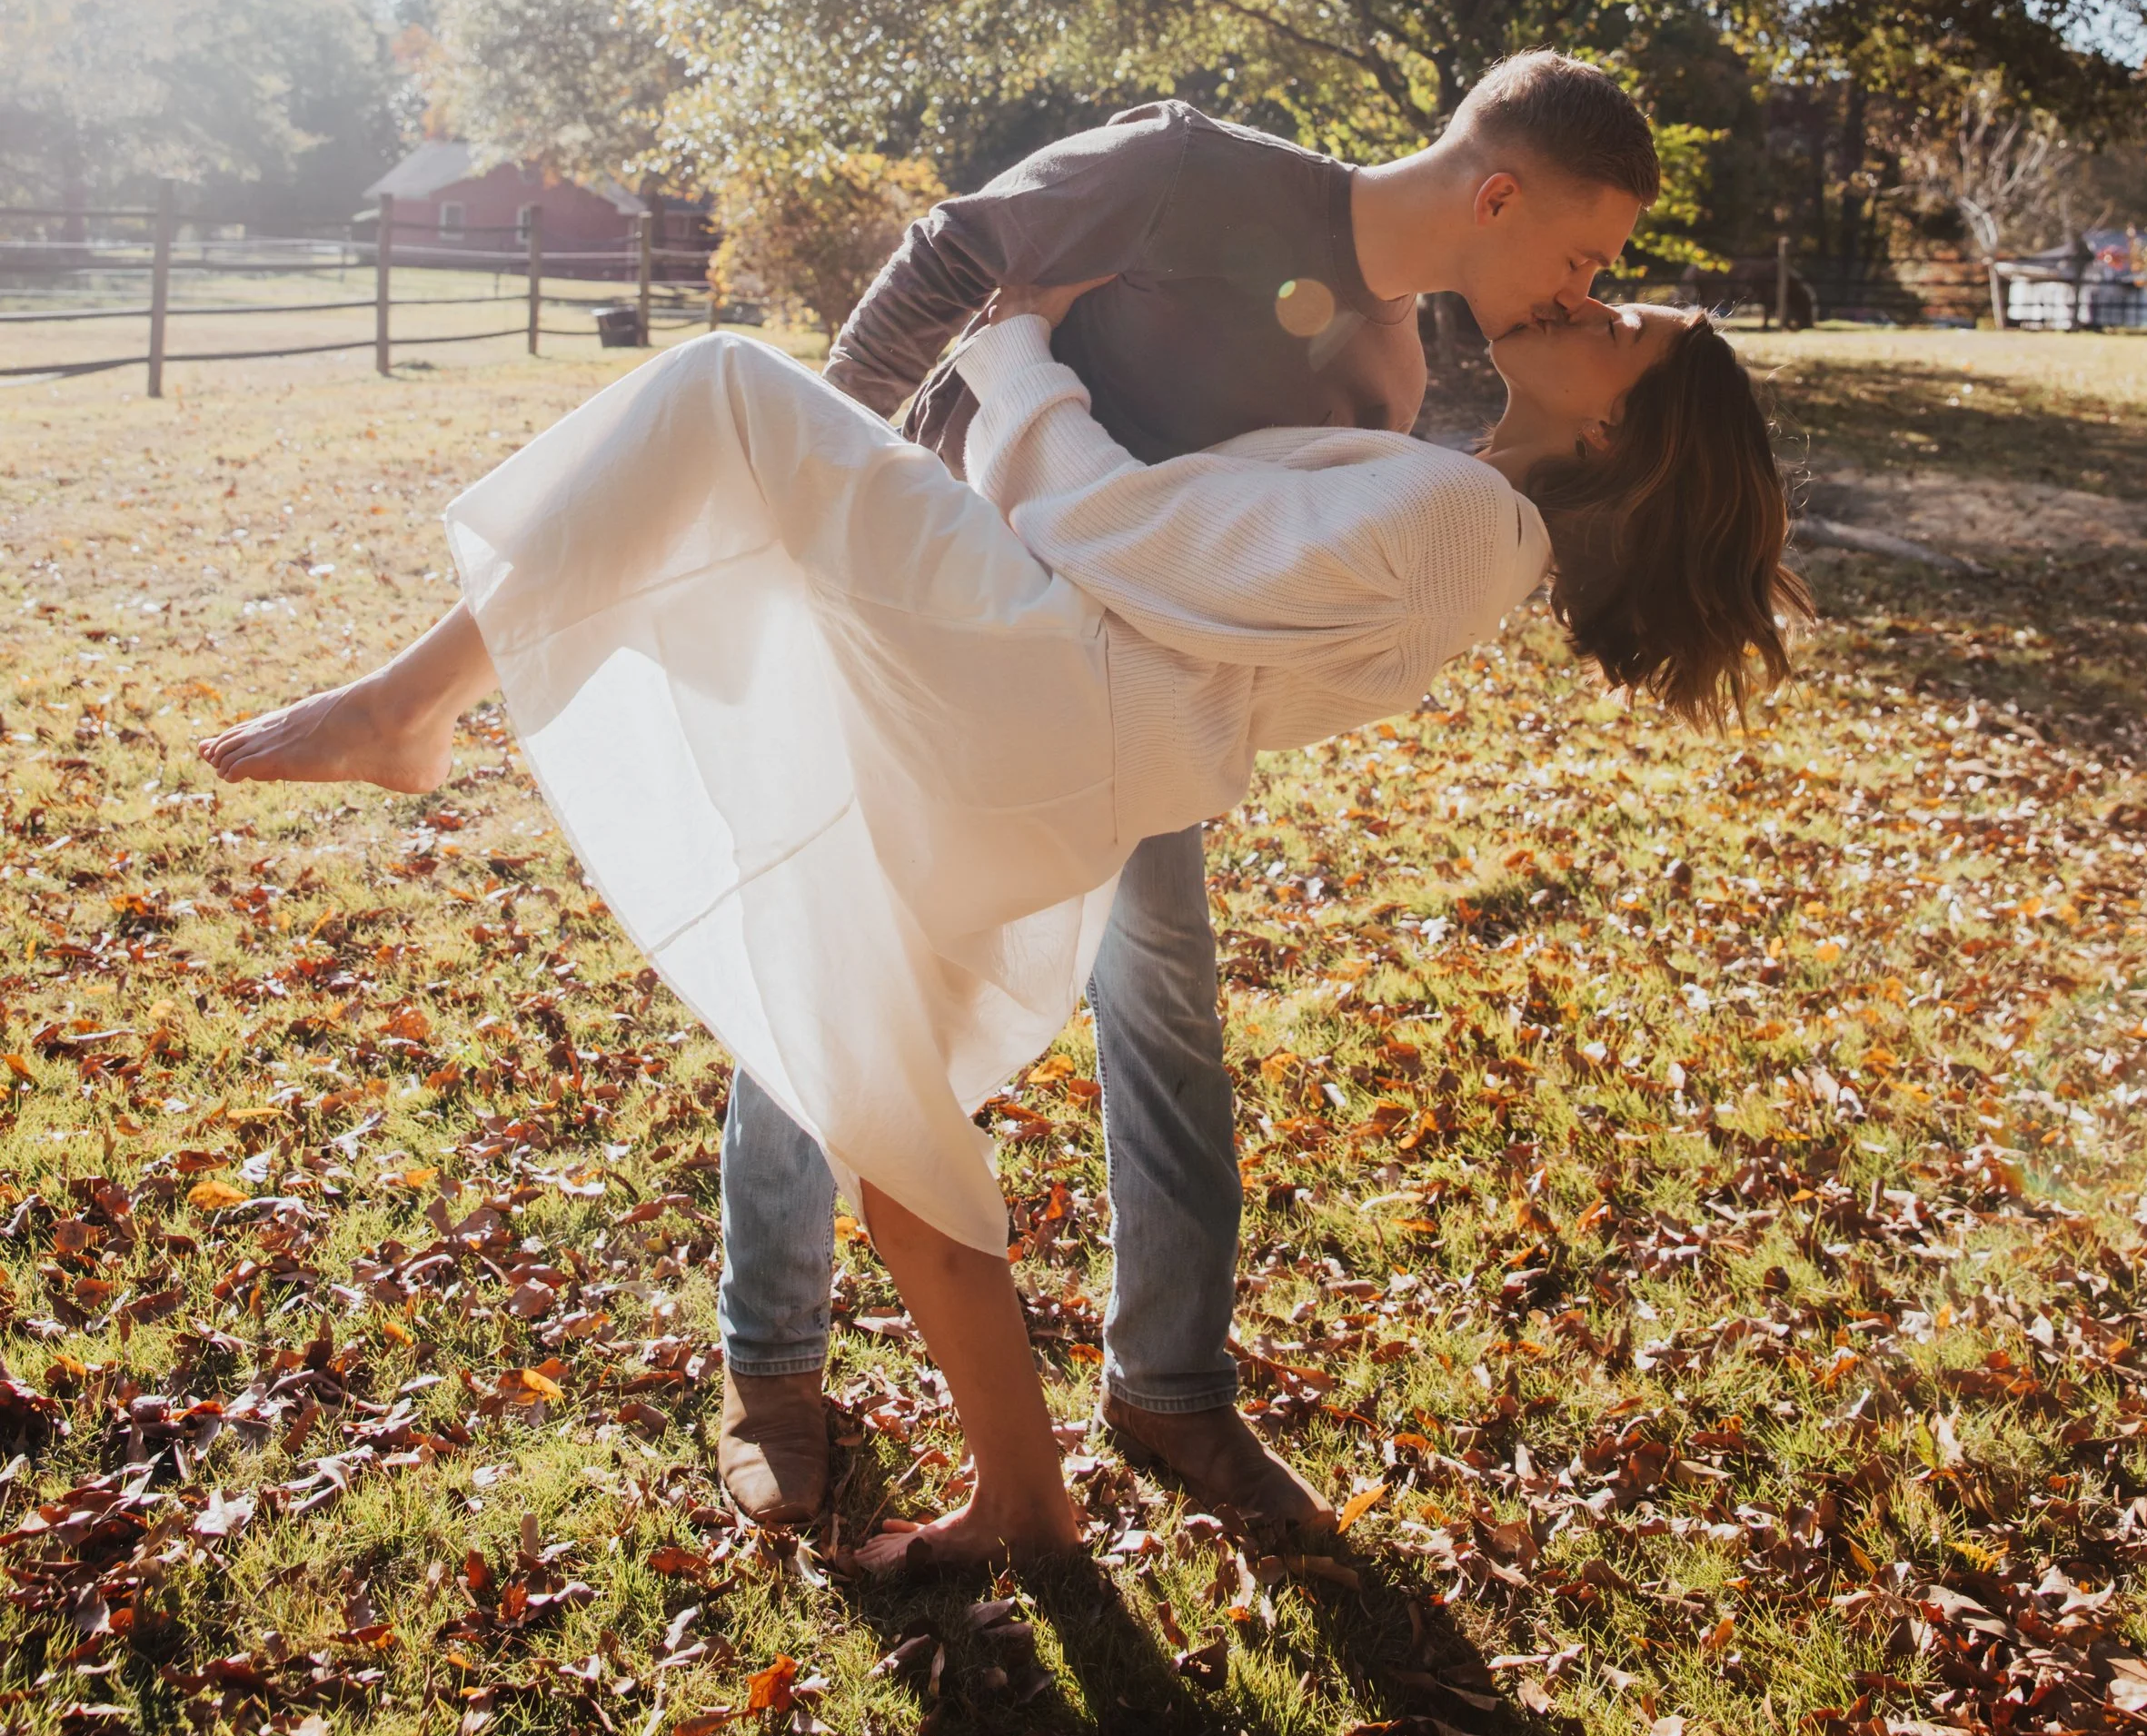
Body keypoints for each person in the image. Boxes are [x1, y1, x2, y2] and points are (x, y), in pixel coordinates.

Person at [201, 268, 1807, 1574]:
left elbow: (1127, 537)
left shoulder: (1463, 528)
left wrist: (1017, 342)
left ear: (1616, 440)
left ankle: (407, 709)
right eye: (1614, 295)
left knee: (719, 395)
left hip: (1047, 678)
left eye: (1621, 332)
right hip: (1066, 751)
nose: (1590, 305)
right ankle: (1024, 1498)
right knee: (877, 1083)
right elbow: (1198, 550)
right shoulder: (1457, 510)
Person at [727, 52, 1658, 1538]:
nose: (1577, 290)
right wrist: (817, 481)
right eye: (1581, 256)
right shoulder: (1182, 166)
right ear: (1495, 194)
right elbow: (953, 259)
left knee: (1166, 1012)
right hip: (939, 644)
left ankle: (1172, 1379)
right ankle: (770, 1364)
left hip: (1113, 707)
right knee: (829, 966)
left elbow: (1259, 562)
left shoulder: (1388, 369)